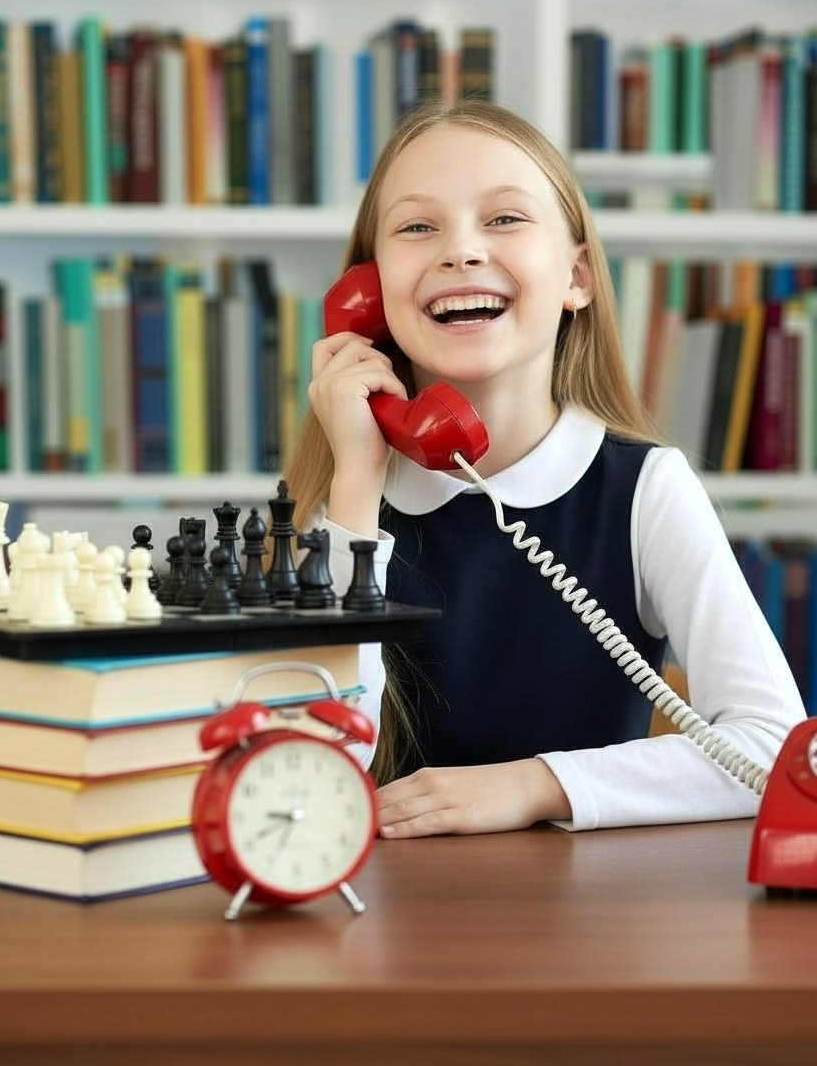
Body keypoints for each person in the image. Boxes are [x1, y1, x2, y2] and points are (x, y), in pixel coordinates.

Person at [284, 100, 805, 837]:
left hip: (587, 901)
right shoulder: (336, 507)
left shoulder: (644, 491)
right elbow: (305, 766)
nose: (461, 251)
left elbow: (771, 746)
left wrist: (536, 784)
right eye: (417, 227)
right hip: (383, 898)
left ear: (577, 276)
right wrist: (357, 489)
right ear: (367, 293)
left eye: (504, 218)